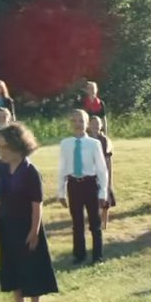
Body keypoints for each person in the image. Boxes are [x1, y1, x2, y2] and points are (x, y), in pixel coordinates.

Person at [0, 123, 58, 302]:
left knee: (32, 264)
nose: (0, 151)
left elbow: (37, 204)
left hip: (27, 225)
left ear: (17, 146)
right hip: (7, 224)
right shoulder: (0, 169)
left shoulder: (30, 172)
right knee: (11, 263)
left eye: (3, 146)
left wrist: (34, 231)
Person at [58, 108, 110, 266]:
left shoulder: (93, 144)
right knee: (77, 222)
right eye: (74, 121)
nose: (77, 124)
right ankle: (79, 255)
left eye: (81, 121)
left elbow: (102, 169)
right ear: (70, 124)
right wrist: (61, 191)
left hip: (90, 184)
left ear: (87, 123)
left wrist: (103, 192)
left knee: (94, 222)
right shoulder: (66, 144)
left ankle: (97, 256)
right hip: (74, 185)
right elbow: (62, 168)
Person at [87, 113, 117, 229]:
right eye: (93, 123)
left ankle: (105, 223)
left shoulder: (105, 140)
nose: (95, 126)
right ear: (89, 125)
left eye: (97, 124)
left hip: (102, 171)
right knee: (93, 199)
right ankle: (95, 222)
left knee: (105, 199)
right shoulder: (86, 139)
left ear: (101, 125)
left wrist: (109, 176)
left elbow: (108, 159)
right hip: (90, 173)